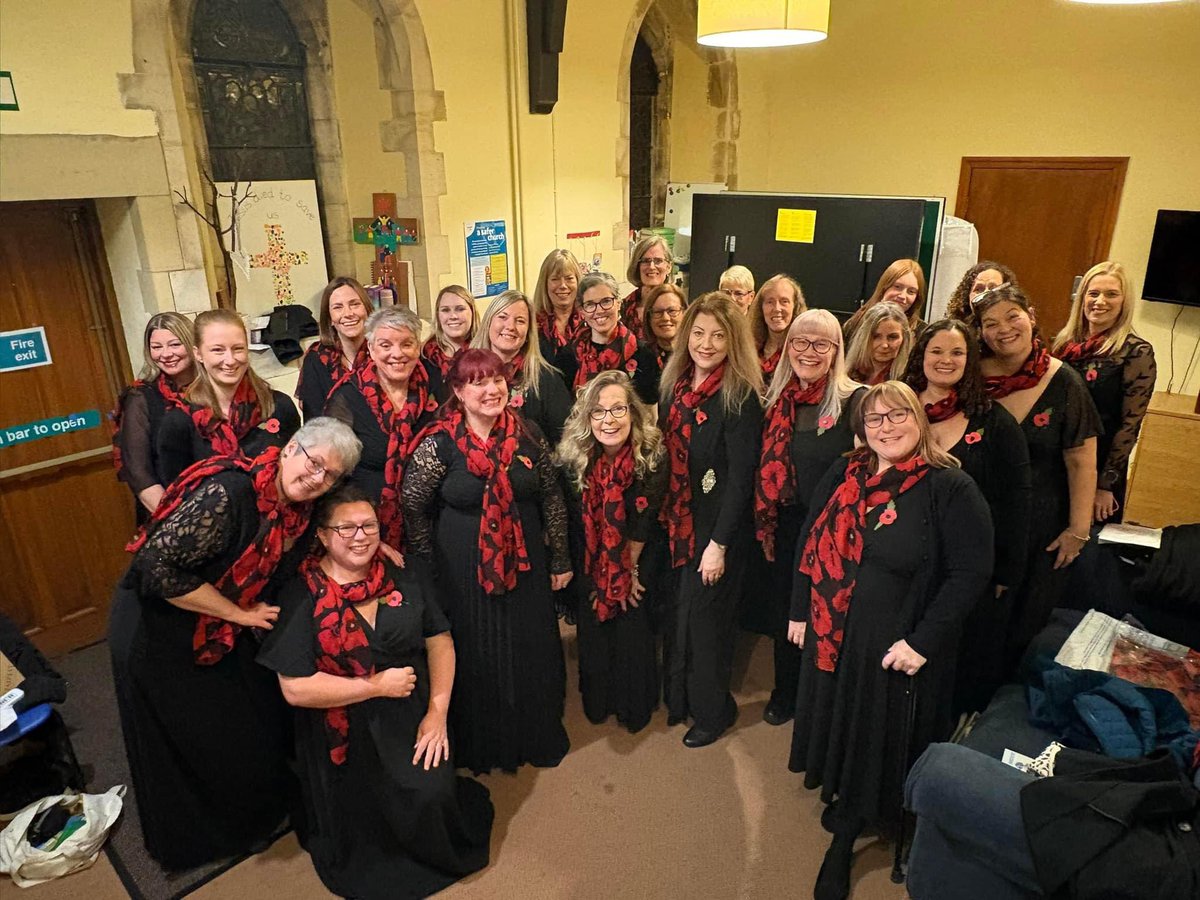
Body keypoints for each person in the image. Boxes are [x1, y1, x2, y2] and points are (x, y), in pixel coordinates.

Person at [109, 418, 362, 869]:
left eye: (330, 474)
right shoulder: (229, 493)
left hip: (216, 624)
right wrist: (239, 614)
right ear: (289, 450)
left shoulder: (297, 512)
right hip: (160, 621)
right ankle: (202, 841)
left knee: (234, 730)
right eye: (313, 462)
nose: (317, 477)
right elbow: (155, 570)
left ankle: (246, 821)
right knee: (188, 737)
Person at [787, 382, 993, 900]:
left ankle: (850, 835)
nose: (887, 427)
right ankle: (845, 794)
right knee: (840, 719)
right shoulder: (847, 470)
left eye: (898, 415)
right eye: (875, 420)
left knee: (873, 731)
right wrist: (798, 610)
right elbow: (811, 538)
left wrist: (921, 643)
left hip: (896, 645)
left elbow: (971, 574)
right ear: (862, 429)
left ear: (918, 419)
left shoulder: (949, 487)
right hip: (835, 632)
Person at [259, 486, 493, 900]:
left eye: (368, 525)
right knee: (362, 820)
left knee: (431, 796)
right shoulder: (302, 594)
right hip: (341, 728)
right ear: (324, 536)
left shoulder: (406, 573)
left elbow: (440, 641)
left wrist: (437, 714)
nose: (360, 535)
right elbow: (294, 689)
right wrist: (374, 686)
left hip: (411, 714)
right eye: (345, 527)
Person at [403, 349, 573, 773]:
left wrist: (561, 558)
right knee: (475, 654)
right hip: (462, 570)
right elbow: (412, 506)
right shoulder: (438, 443)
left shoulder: (529, 433)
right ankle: (484, 746)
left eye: (496, 380)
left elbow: (552, 494)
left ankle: (533, 737)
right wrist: (431, 567)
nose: (490, 390)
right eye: (477, 382)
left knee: (531, 647)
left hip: (526, 564)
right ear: (458, 392)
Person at [904, 319, 1032, 714]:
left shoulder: (994, 421)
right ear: (920, 357)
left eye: (957, 352)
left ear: (970, 359)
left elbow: (1016, 500)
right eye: (936, 351)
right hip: (903, 560)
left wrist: (1004, 572)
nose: (945, 360)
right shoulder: (898, 410)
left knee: (955, 663)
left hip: (965, 568)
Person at [972, 284, 1101, 668]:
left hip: (1039, 529)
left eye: (1012, 316)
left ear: (1031, 317)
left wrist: (1078, 532)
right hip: (978, 520)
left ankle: (991, 715)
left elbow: (1081, 461)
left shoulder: (1066, 383)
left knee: (1018, 630)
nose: (1004, 329)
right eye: (990, 323)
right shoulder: (971, 376)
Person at [658, 292, 763, 748]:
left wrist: (718, 544)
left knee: (706, 626)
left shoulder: (739, 398)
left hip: (716, 532)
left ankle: (712, 712)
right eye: (698, 333)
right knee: (680, 616)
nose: (706, 343)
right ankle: (679, 700)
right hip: (680, 523)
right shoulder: (675, 387)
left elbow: (742, 481)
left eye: (719, 335)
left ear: (733, 341)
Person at [754, 310, 864, 726]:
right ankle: (786, 692)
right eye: (800, 342)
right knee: (788, 613)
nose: (809, 352)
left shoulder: (855, 399)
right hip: (784, 527)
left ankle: (821, 700)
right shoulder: (774, 399)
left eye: (821, 344)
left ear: (837, 351)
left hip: (835, 534)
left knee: (829, 616)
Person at [556, 372, 667, 733]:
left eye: (618, 409)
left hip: (638, 555)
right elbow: (572, 522)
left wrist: (627, 571)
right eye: (599, 412)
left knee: (631, 624)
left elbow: (643, 522)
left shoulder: (652, 455)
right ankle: (599, 700)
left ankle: (634, 706)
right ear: (587, 419)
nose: (609, 420)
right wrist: (598, 573)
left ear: (633, 413)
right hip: (590, 557)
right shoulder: (573, 459)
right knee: (593, 628)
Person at [325, 306, 440, 549]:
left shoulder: (436, 387)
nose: (397, 354)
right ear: (371, 349)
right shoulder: (348, 398)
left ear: (418, 347)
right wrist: (365, 536)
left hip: (435, 523)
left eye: (407, 344)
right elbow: (333, 477)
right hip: (370, 531)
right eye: (386, 345)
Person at [1052, 261, 1156, 523]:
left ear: (1124, 302)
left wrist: (1105, 484)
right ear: (1082, 298)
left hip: (1100, 469)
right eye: (1093, 293)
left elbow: (1130, 425)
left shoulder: (1136, 352)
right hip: (1055, 464)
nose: (1100, 301)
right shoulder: (1064, 345)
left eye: (1111, 294)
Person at [158, 309, 301, 484]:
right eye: (218, 350)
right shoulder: (179, 422)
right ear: (198, 354)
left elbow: (296, 476)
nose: (230, 360)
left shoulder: (279, 405)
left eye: (238, 349)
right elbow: (177, 495)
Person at [111, 312, 196, 523]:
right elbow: (139, 472)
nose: (166, 354)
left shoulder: (212, 389)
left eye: (175, 345)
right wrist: (183, 523)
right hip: (170, 515)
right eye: (157, 347)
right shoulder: (141, 397)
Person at [471, 289, 572, 445]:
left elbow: (566, 441)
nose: (510, 326)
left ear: (528, 332)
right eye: (502, 317)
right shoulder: (466, 373)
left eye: (520, 321)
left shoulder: (547, 379)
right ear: (488, 323)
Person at [555, 271, 658, 404]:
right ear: (582, 311)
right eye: (590, 305)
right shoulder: (567, 357)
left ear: (618, 303)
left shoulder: (643, 355)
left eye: (606, 301)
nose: (599, 310)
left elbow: (648, 415)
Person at [296, 277, 371, 420]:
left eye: (355, 304)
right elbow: (314, 421)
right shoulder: (316, 359)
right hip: (334, 439)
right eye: (338, 307)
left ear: (367, 309)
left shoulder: (383, 351)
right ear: (329, 318)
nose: (348, 314)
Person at [842, 258, 927, 343]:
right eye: (897, 287)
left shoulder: (922, 333)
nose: (902, 296)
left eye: (911, 292)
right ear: (884, 287)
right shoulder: (856, 322)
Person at [531, 248, 585, 359]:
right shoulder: (531, 324)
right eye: (555, 279)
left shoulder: (590, 321)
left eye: (569, 278)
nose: (563, 285)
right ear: (545, 284)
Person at [750, 274, 805, 379]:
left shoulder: (803, 353)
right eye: (770, 302)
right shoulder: (748, 350)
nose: (777, 308)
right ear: (761, 308)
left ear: (795, 306)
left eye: (784, 301)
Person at [844, 301, 912, 385]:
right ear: (864, 338)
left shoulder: (911, 379)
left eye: (892, 337)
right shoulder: (845, 374)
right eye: (876, 337)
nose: (884, 345)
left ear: (904, 339)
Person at [422, 284, 477, 380]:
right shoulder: (424, 355)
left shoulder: (487, 349)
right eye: (445, 310)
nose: (453, 316)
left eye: (460, 309)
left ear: (472, 312)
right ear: (438, 315)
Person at [623, 234, 673, 334]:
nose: (651, 266)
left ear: (668, 267)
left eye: (658, 261)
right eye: (645, 261)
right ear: (637, 266)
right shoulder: (626, 305)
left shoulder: (676, 305)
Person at [945, 260, 1019, 323]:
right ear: (967, 298)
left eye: (993, 288)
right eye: (978, 289)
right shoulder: (958, 335)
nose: (986, 294)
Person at [640, 282, 686, 372]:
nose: (665, 318)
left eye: (672, 311)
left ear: (684, 313)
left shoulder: (698, 355)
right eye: (658, 312)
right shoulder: (639, 357)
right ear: (649, 318)